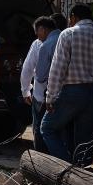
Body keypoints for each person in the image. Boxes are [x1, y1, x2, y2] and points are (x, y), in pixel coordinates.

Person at [41, 3, 93, 163]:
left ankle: (67, 165)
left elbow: (58, 67)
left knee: (47, 128)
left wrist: (50, 96)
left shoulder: (68, 34)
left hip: (73, 91)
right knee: (84, 142)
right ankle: (81, 177)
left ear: (73, 17)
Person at [22, 16, 63, 152]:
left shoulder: (42, 44)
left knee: (41, 130)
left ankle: (42, 164)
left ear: (43, 29)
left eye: (37, 31)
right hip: (64, 95)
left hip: (42, 97)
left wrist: (25, 90)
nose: (36, 35)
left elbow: (35, 73)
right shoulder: (67, 40)